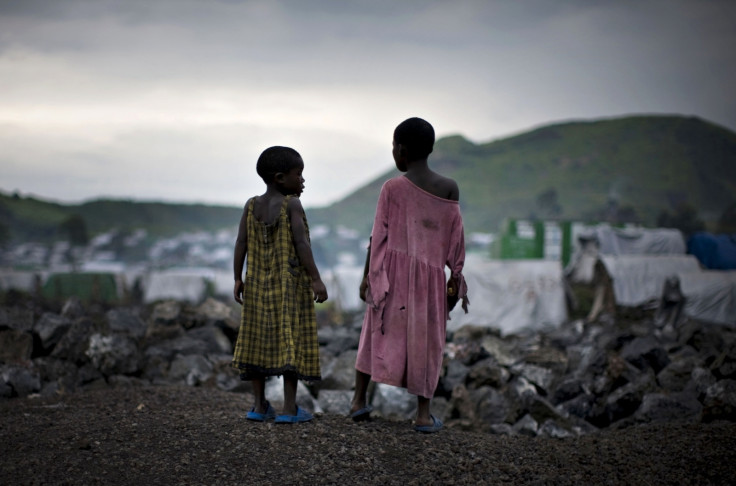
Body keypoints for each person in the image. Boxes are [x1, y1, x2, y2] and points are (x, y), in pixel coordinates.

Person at [350, 117, 469, 433]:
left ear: (400, 150)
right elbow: (455, 239)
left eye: (393, 147)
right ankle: (422, 414)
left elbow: (377, 238)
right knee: (428, 342)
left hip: (391, 276)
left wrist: (369, 277)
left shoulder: (392, 188)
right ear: (429, 149)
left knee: (375, 332)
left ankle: (358, 400)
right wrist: (455, 278)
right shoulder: (449, 188)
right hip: (429, 283)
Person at [232, 146, 327, 424]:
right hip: (288, 287)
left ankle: (259, 406)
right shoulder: (291, 205)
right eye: (299, 174)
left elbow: (241, 243)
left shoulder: (251, 205)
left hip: (257, 286)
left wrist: (238, 277)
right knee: (290, 342)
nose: (303, 181)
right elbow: (301, 244)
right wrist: (316, 278)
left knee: (256, 340)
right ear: (279, 177)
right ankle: (288, 409)